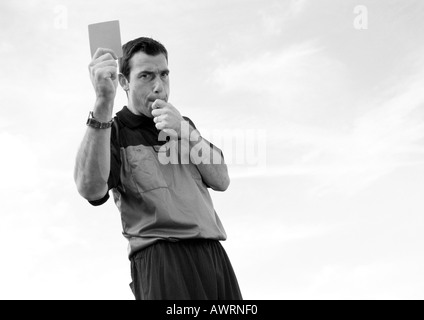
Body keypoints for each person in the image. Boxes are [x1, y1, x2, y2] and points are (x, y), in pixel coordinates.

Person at [74, 37, 243, 300]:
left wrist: (184, 130)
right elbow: (90, 189)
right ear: (124, 82)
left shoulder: (181, 124)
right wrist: (103, 103)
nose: (158, 86)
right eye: (146, 76)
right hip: (161, 260)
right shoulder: (114, 130)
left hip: (212, 255)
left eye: (164, 75)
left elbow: (221, 179)